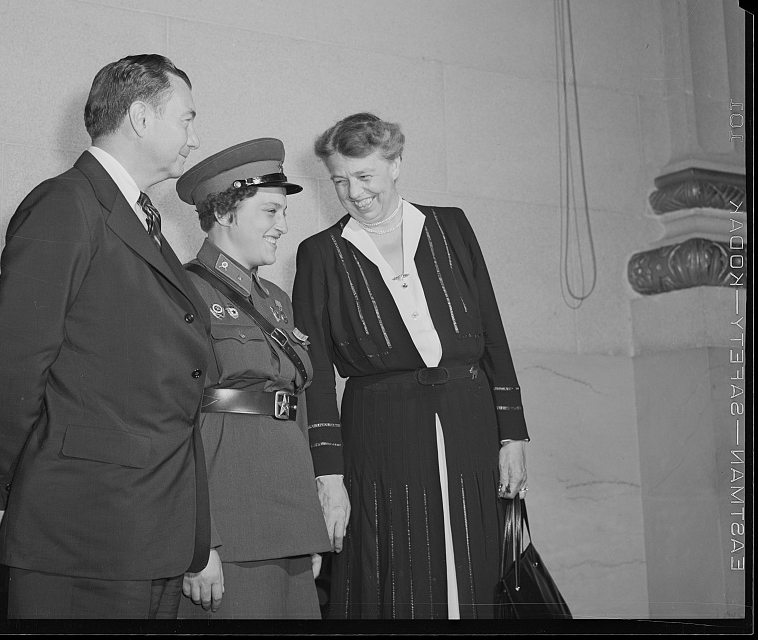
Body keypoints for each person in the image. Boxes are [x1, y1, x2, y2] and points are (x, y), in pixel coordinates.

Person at [0, 54, 221, 619]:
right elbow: (15, 364)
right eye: (185, 118)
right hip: (80, 528)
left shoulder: (137, 217)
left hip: (150, 526)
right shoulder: (66, 204)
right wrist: (16, 497)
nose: (194, 135)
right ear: (140, 117)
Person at [292, 112, 530, 619]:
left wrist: (513, 434)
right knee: (393, 568)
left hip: (469, 422)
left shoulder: (451, 226)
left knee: (475, 558)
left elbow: (492, 332)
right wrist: (328, 477)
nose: (354, 193)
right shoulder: (319, 254)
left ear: (395, 164)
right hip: (379, 432)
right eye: (340, 181)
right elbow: (313, 375)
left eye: (365, 177)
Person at [173, 138, 331, 619]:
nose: (283, 226)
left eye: (283, 212)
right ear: (225, 213)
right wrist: (198, 542)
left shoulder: (278, 301)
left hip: (288, 516)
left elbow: (292, 408)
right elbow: (173, 424)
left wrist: (309, 523)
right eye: (270, 211)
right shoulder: (182, 292)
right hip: (231, 519)